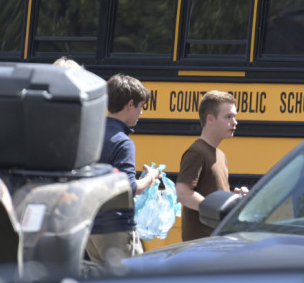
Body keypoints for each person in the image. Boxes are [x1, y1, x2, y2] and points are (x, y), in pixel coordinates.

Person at [87, 73, 161, 267]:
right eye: (141, 107)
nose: (141, 113)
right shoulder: (123, 142)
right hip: (116, 229)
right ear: (130, 105)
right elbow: (128, 187)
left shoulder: (91, 134)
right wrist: (150, 178)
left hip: (91, 228)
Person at [176, 90, 244, 241]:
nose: (235, 122)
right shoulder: (196, 152)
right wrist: (219, 211)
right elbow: (182, 192)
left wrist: (235, 199)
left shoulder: (221, 155)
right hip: (200, 245)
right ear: (210, 119)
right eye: (228, 117)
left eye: (235, 117)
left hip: (216, 241)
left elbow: (213, 193)